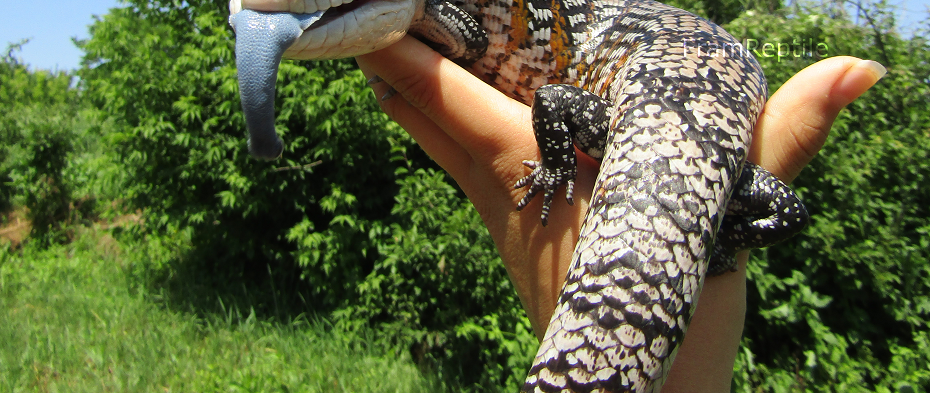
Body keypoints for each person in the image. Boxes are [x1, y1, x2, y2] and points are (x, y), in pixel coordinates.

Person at [356, 37, 886, 392]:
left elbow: (553, 103)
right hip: (698, 140)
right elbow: (787, 214)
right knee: (787, 212)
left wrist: (557, 172)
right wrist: (715, 240)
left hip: (638, 121)